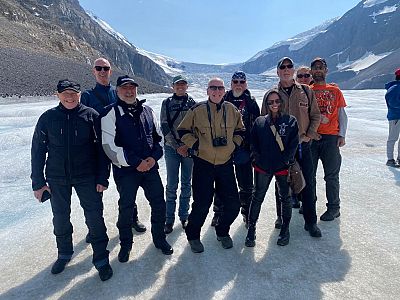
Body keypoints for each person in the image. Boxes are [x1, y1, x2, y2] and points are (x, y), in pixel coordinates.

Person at [31, 79, 113, 281]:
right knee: (60, 218)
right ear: (57, 94)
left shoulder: (91, 116)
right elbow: (38, 151)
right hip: (57, 178)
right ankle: (64, 253)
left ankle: (101, 259)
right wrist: (38, 183)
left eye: (73, 93)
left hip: (88, 176)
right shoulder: (48, 118)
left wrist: (103, 177)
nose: (69, 97)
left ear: (79, 94)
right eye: (65, 93)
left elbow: (102, 151)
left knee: (95, 218)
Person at [101, 75, 173, 262]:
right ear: (117, 91)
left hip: (150, 168)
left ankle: (159, 239)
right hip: (126, 171)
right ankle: (126, 245)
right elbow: (109, 146)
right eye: (125, 88)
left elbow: (158, 139)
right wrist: (136, 162)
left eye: (132, 87)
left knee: (159, 204)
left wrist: (152, 158)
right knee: (126, 208)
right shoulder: (110, 113)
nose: (129, 91)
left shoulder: (147, 111)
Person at [177, 78, 245, 253]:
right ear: (207, 91)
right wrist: (196, 145)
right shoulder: (197, 110)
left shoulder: (232, 110)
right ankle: (193, 235)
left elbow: (240, 131)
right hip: (203, 163)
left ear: (224, 90)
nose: (217, 91)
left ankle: (222, 231)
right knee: (201, 203)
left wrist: (234, 145)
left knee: (233, 204)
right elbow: (183, 130)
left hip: (225, 164)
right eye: (213, 88)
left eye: (220, 88)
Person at [81, 58, 146, 233]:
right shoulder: (87, 96)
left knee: (127, 187)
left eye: (106, 68)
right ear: (93, 71)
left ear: (111, 71)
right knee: (96, 189)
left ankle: (132, 218)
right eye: (99, 68)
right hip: (97, 150)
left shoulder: (118, 91)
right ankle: (95, 228)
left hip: (120, 148)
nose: (102, 71)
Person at [262, 57, 322, 238]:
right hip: (280, 148)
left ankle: (311, 222)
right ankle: (281, 217)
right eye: (282, 67)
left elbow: (316, 115)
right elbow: (263, 121)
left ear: (293, 70)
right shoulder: (272, 94)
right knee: (281, 184)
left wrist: (308, 135)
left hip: (303, 146)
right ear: (278, 71)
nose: (286, 69)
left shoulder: (305, 91)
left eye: (289, 66)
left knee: (308, 183)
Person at [246, 89, 299, 247]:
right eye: (270, 102)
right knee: (257, 197)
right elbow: (253, 143)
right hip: (263, 167)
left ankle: (285, 229)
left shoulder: (291, 121)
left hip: (282, 167)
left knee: (285, 198)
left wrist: (286, 160)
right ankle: (251, 229)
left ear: (281, 102)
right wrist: (257, 158)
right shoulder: (260, 122)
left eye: (277, 101)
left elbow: (293, 144)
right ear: (266, 104)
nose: (274, 104)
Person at [211, 71, 260, 227]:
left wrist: (253, 149)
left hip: (243, 149)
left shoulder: (251, 102)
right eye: (236, 81)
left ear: (246, 84)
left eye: (241, 82)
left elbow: (256, 126)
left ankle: (247, 214)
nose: (238, 84)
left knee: (246, 185)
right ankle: (218, 213)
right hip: (223, 149)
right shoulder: (222, 99)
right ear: (231, 84)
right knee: (221, 183)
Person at [310, 57, 348, 221]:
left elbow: (341, 114)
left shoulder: (335, 91)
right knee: (309, 175)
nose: (318, 70)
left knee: (331, 175)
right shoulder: (307, 90)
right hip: (311, 138)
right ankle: (309, 205)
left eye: (321, 67)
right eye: (315, 67)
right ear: (311, 71)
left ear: (326, 70)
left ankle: (334, 207)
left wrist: (342, 135)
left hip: (331, 138)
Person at [160, 75, 196, 234]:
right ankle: (169, 219)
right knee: (172, 184)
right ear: (172, 86)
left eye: (183, 84)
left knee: (187, 183)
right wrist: (177, 146)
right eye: (177, 85)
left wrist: (187, 145)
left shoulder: (193, 103)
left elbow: (197, 127)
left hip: (188, 149)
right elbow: (164, 126)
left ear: (187, 86)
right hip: (171, 149)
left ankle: (184, 215)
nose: (180, 87)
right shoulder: (166, 103)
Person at [384, 68, 400, 168]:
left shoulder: (393, 87)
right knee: (393, 138)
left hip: (395, 116)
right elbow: (392, 102)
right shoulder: (395, 88)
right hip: (396, 117)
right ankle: (390, 159)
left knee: (393, 138)